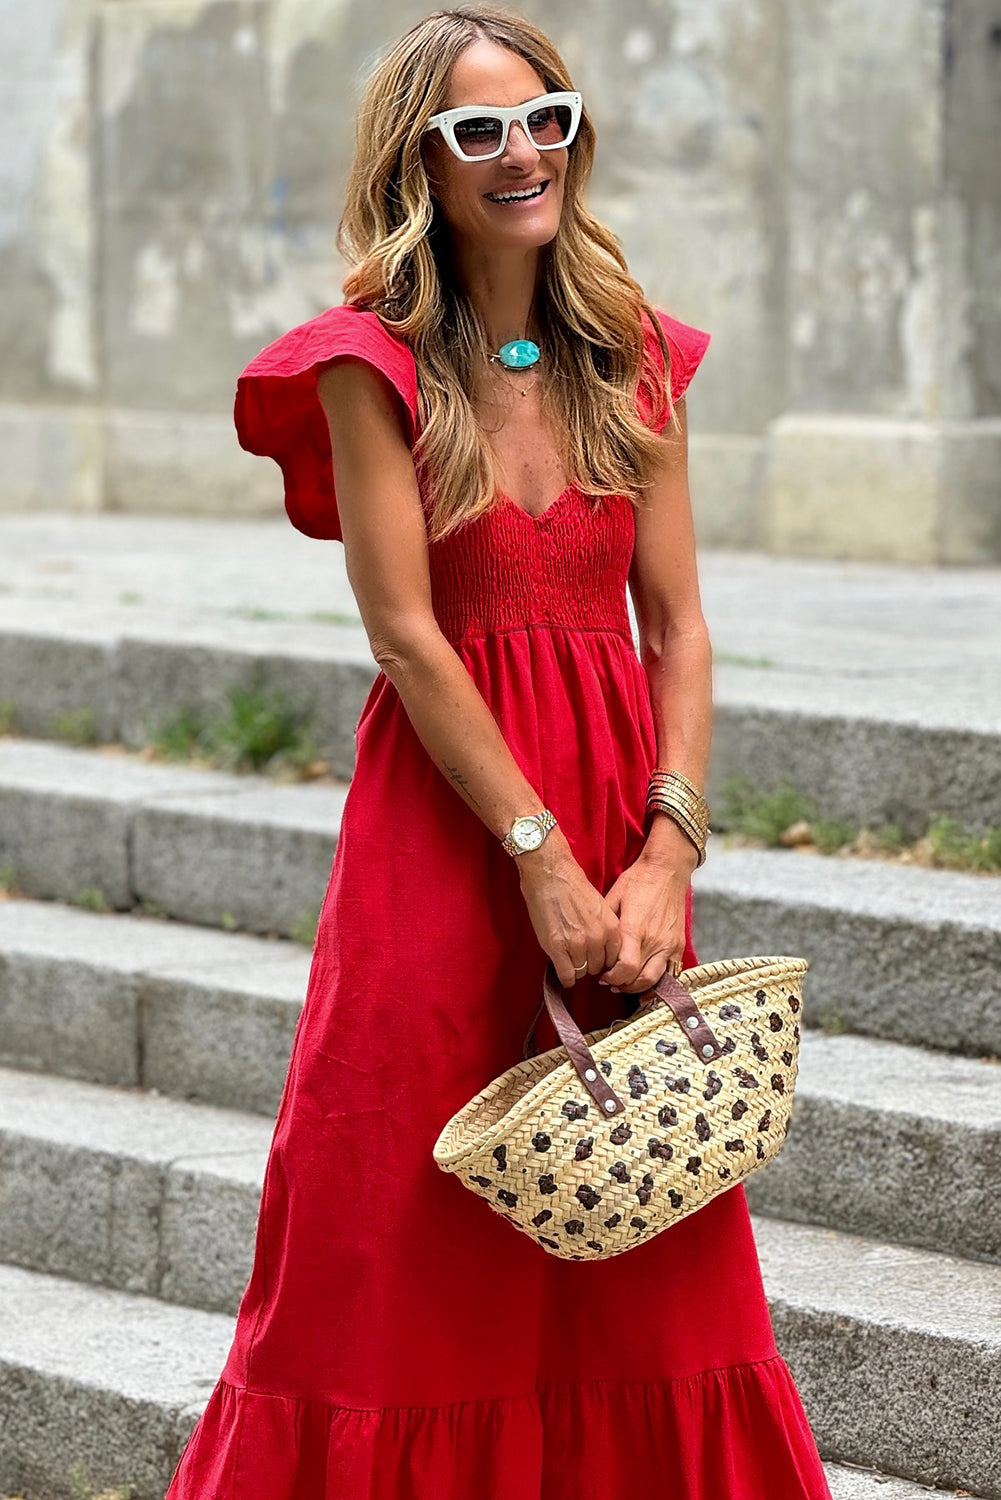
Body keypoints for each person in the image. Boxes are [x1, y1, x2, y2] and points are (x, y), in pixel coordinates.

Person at [164, 6, 832, 1497]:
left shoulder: (632, 352)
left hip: (616, 811)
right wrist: (535, 853)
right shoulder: (370, 364)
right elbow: (406, 634)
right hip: (444, 825)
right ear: (420, 161)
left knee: (635, 1192)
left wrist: (666, 850)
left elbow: (679, 624)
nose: (521, 151)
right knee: (385, 1206)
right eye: (477, 129)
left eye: (545, 117)